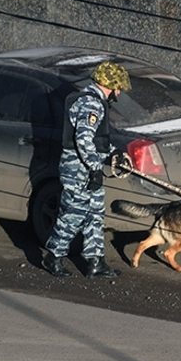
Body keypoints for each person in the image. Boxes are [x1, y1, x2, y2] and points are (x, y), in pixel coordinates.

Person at [42, 61, 131, 278]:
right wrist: (93, 168)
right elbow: (83, 140)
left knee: (95, 215)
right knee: (73, 214)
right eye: (118, 88)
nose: (119, 93)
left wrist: (112, 153)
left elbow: (96, 140)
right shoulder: (92, 104)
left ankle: (95, 262)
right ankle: (53, 256)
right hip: (78, 170)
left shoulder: (92, 101)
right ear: (111, 84)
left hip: (88, 167)